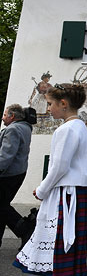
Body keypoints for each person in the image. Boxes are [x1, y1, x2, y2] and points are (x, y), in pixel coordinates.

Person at [1, 84, 87, 276]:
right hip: (69, 193)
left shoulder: (67, 129)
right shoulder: (78, 126)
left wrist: (42, 190)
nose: (48, 108)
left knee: (61, 245)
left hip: (66, 194)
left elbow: (60, 167)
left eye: (50, 103)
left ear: (63, 104)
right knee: (46, 241)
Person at [0, 104, 35, 248]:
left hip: (8, 175)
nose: (2, 118)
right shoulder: (25, 127)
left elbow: (6, 156)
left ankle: (25, 229)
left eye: (4, 114)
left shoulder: (13, 129)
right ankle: (25, 230)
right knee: (2, 207)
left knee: (1, 206)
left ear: (12, 116)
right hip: (18, 173)